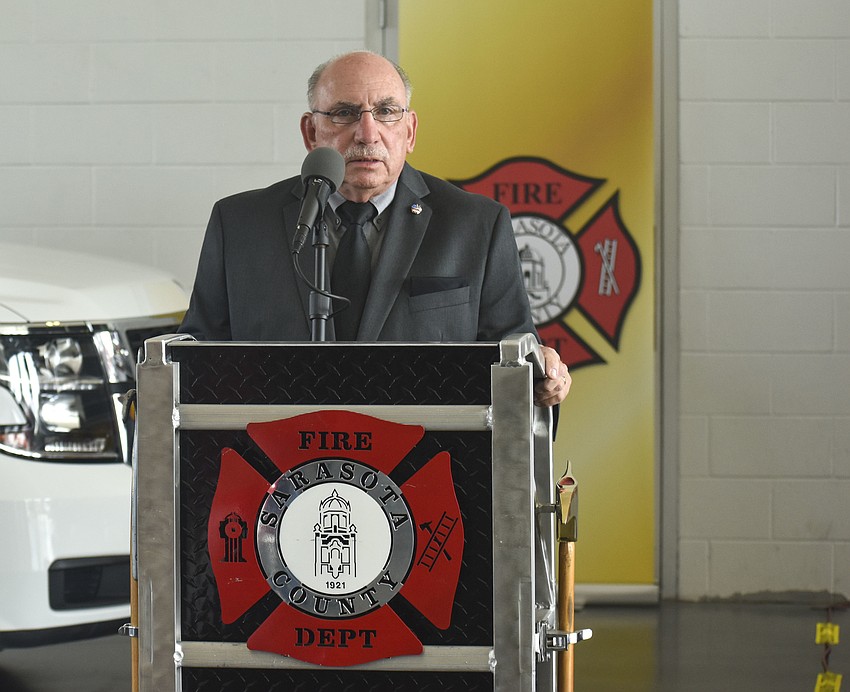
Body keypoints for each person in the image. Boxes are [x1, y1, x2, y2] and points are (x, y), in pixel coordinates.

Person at [179, 50, 570, 408]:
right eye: (345, 113)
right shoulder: (241, 224)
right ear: (311, 133)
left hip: (425, 466)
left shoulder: (476, 224)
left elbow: (514, 357)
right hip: (274, 471)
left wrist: (543, 372)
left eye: (385, 112)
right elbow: (196, 360)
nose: (367, 134)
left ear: (410, 131)